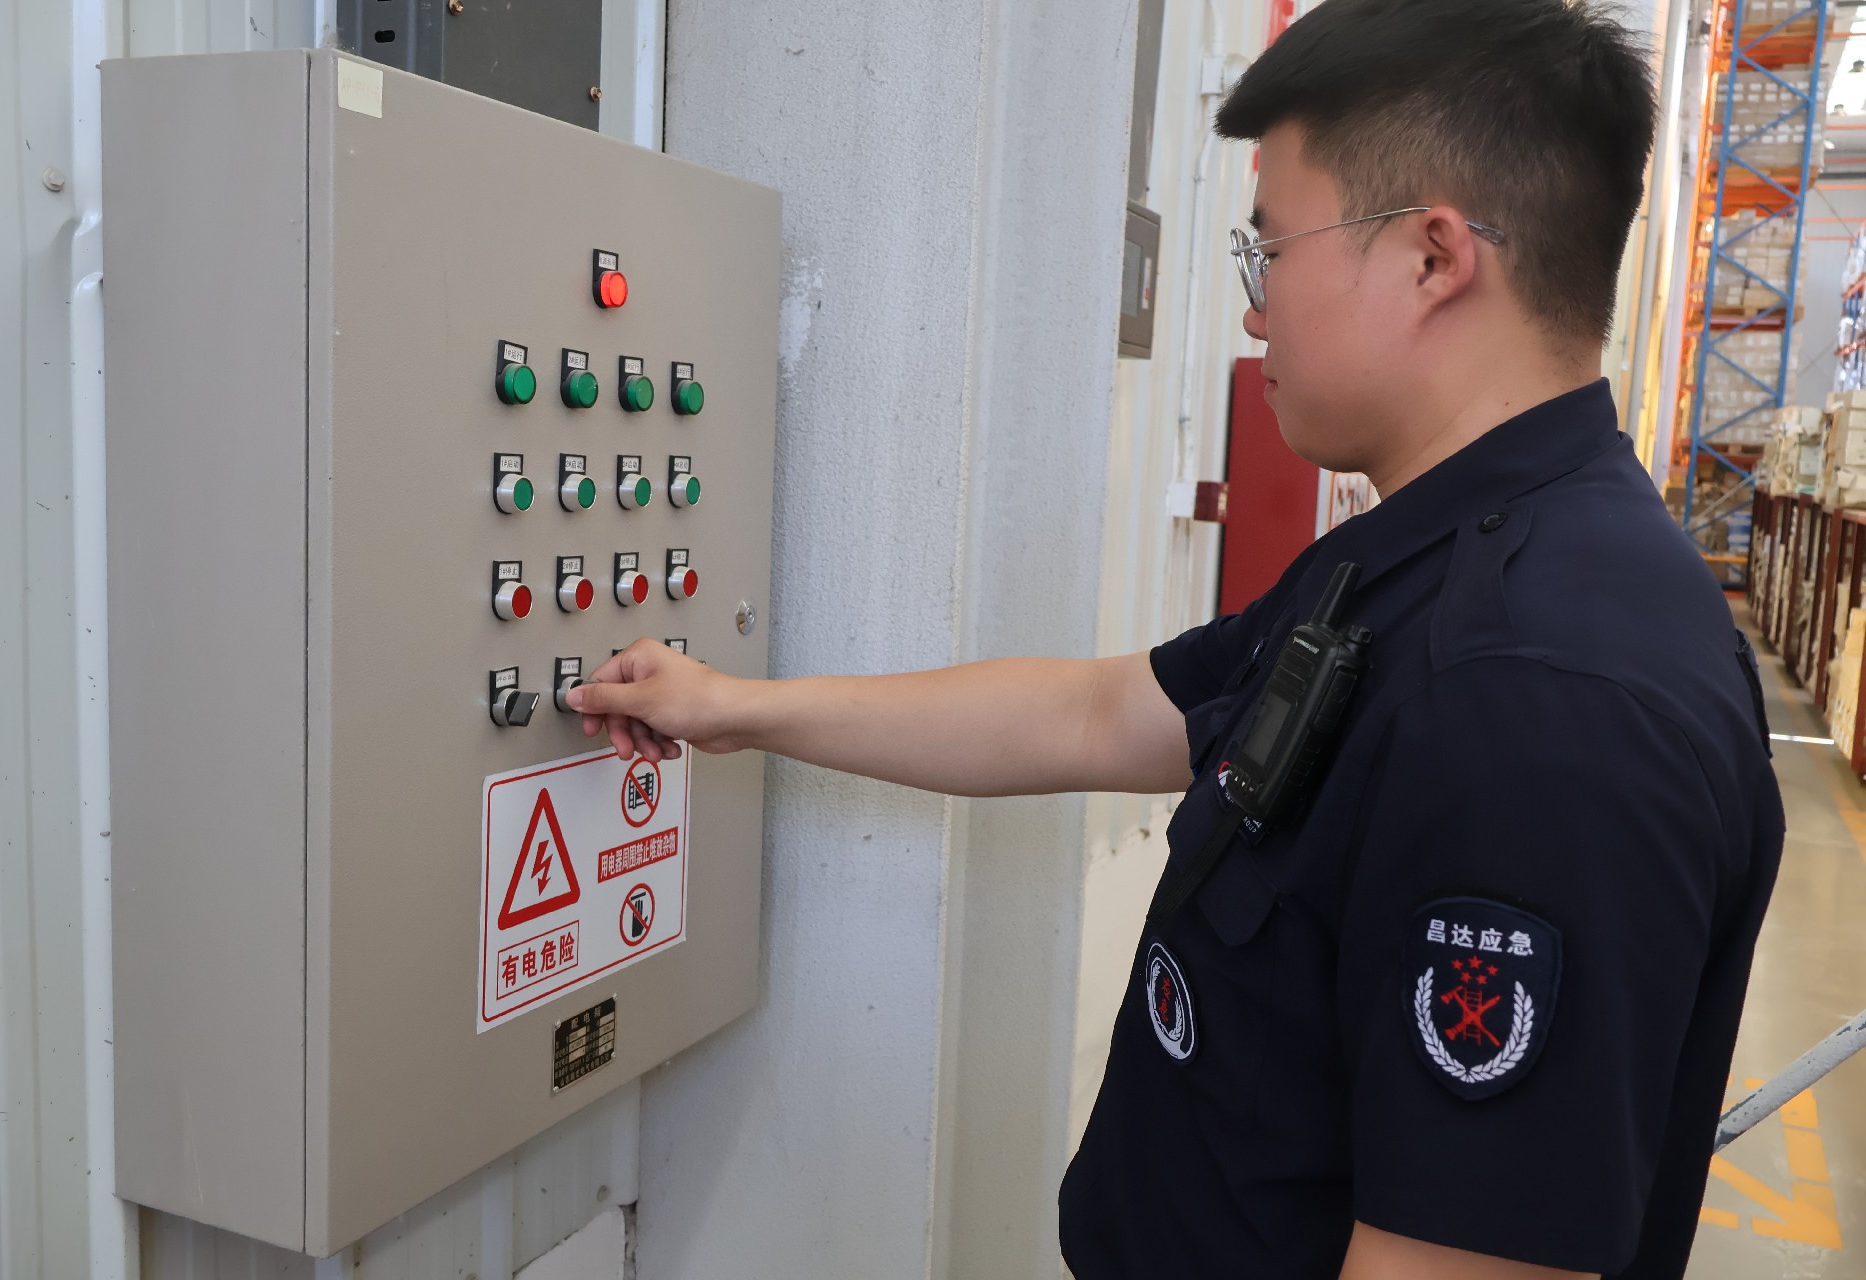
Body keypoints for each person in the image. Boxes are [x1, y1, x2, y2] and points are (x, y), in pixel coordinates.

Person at [566, 0, 1786, 1274]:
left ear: (1433, 256)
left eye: (1272, 253)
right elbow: (1097, 713)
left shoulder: (1540, 702)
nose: (1256, 313)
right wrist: (731, 704)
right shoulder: (1424, 563)